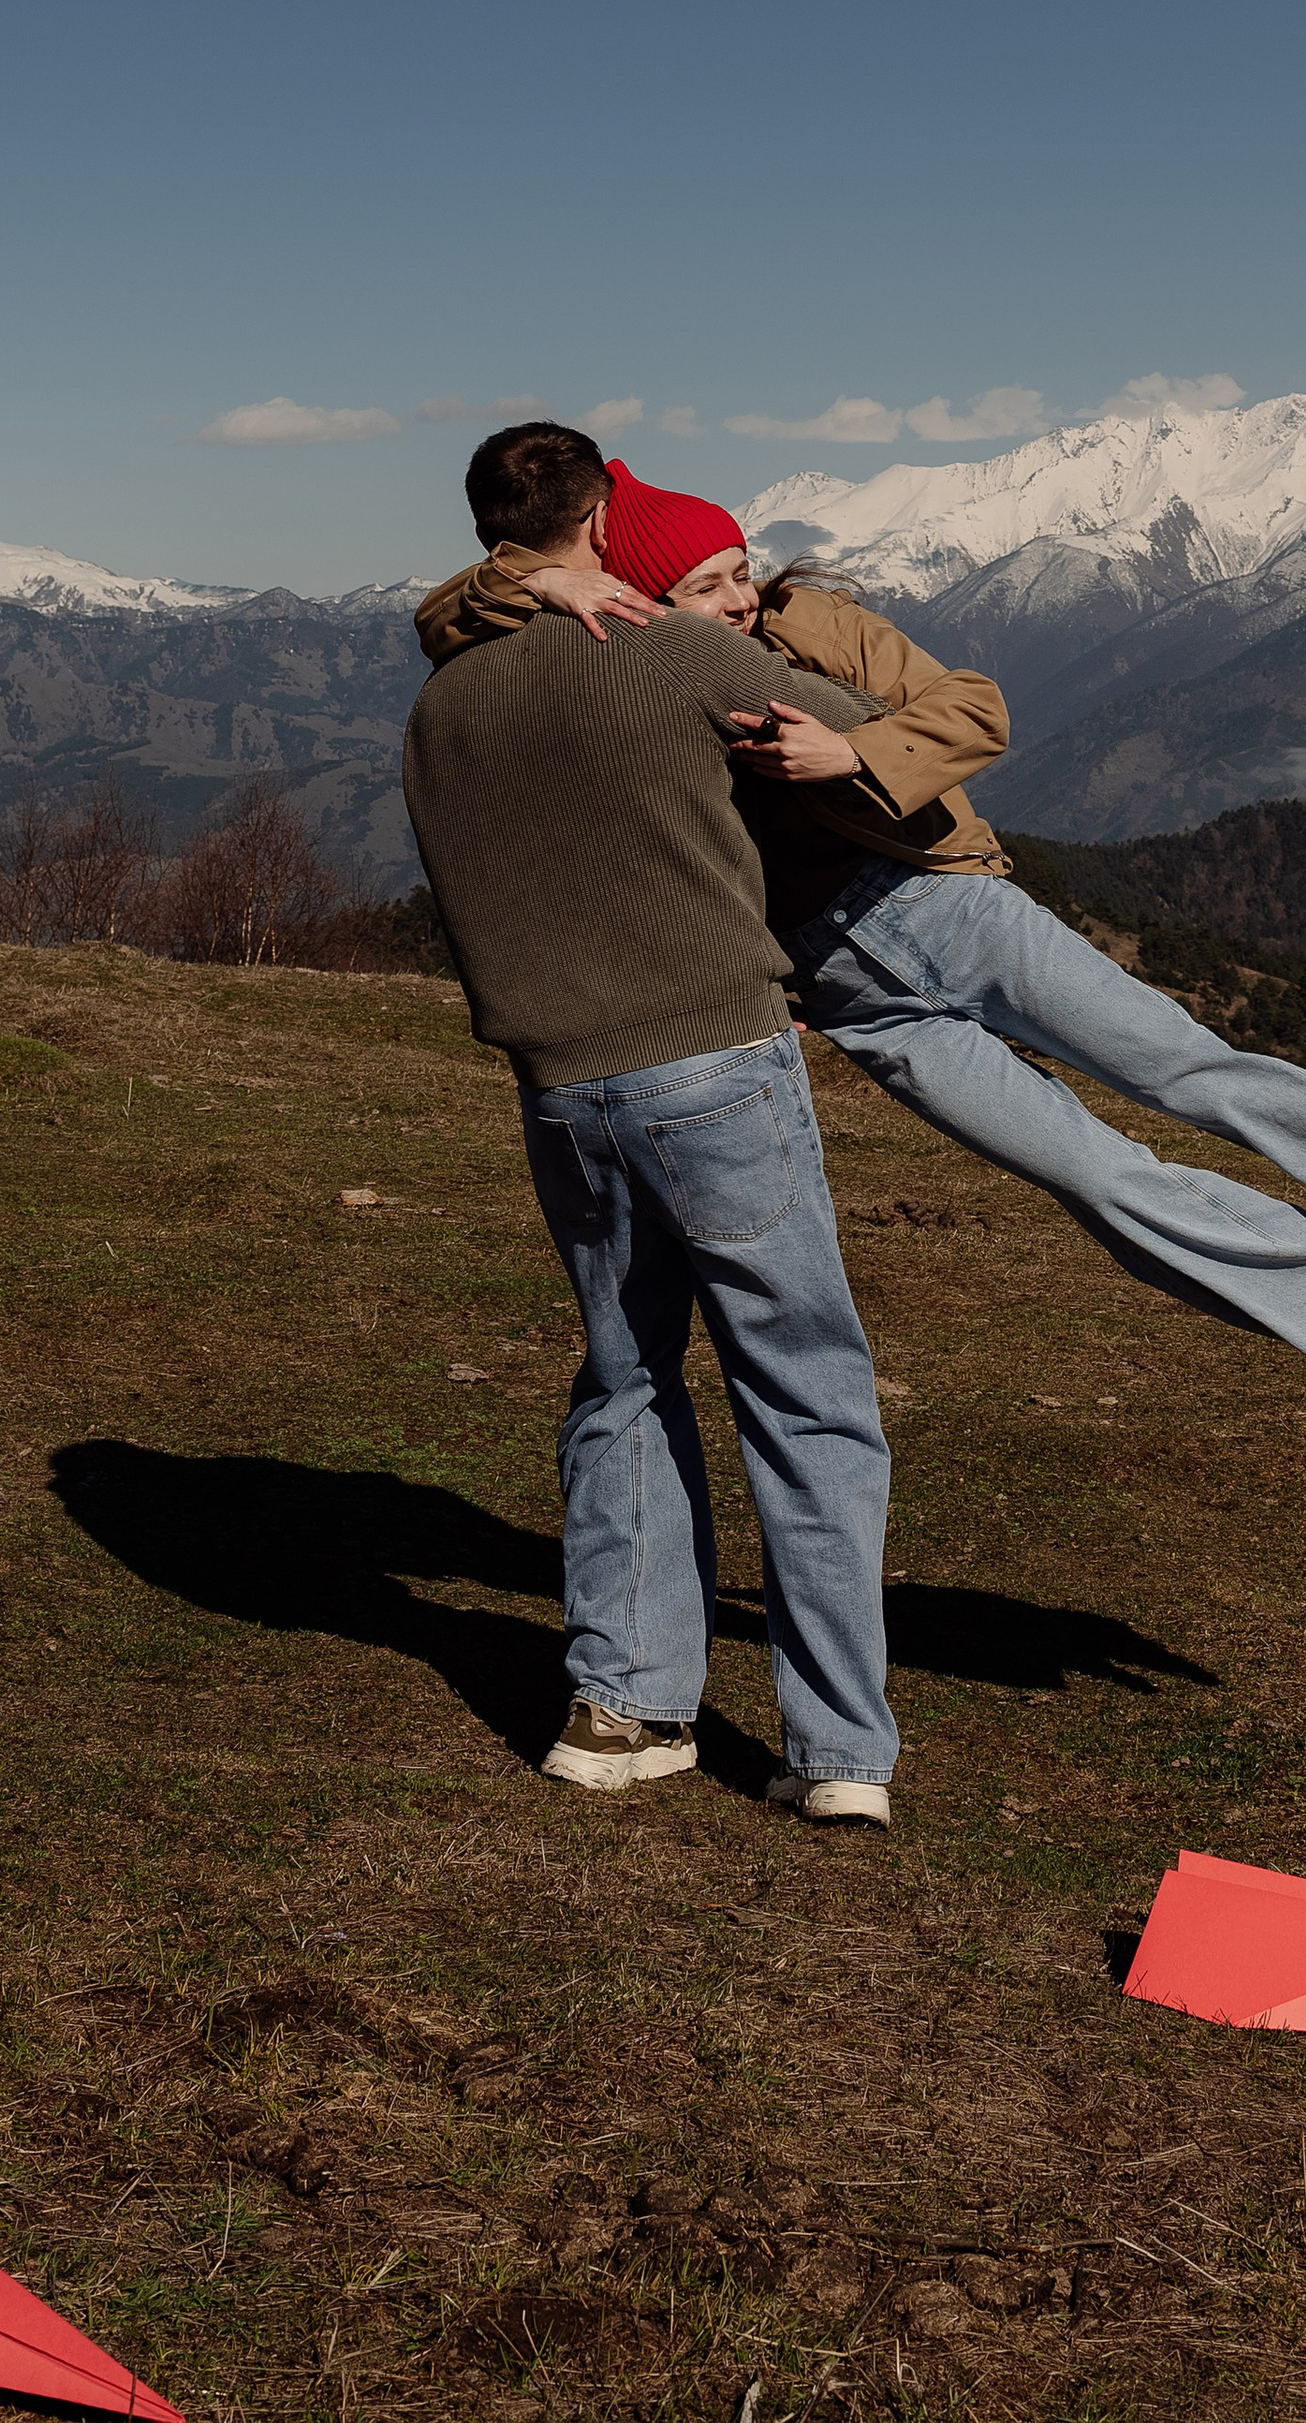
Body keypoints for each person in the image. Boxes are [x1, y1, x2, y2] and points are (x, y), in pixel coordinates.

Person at [416, 454, 1306, 1382]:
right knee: (1088, 1174)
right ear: (636, 594)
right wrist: (532, 576)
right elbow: (442, 625)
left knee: (1192, 1072)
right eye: (704, 586)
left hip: (945, 906)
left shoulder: (806, 625)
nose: (736, 599)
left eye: (740, 569)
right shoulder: (625, 652)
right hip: (844, 991)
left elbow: (974, 709)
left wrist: (853, 752)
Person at [402, 421, 901, 1828]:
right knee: (802, 1388)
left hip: (561, 1087)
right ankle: (837, 1749)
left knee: (626, 1376)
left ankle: (621, 1704)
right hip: (715, 1057)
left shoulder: (440, 706)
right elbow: (859, 728)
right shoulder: (670, 652)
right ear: (603, 523)